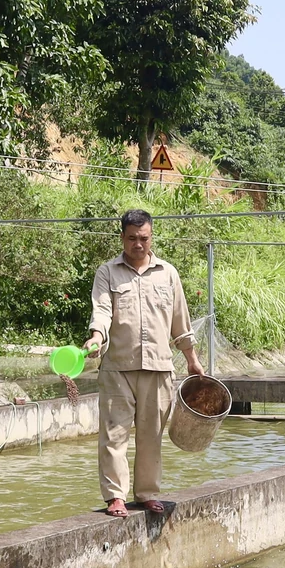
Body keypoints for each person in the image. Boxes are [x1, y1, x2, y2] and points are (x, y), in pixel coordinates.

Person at [84, 209, 207, 517]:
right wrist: (97, 336)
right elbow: (102, 310)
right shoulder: (107, 272)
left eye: (144, 238)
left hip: (158, 367)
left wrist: (192, 360)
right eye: (131, 238)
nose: (138, 244)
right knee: (114, 434)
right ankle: (115, 496)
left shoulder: (168, 273)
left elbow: (180, 322)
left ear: (151, 237)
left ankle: (147, 494)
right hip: (117, 368)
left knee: (151, 436)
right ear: (122, 237)